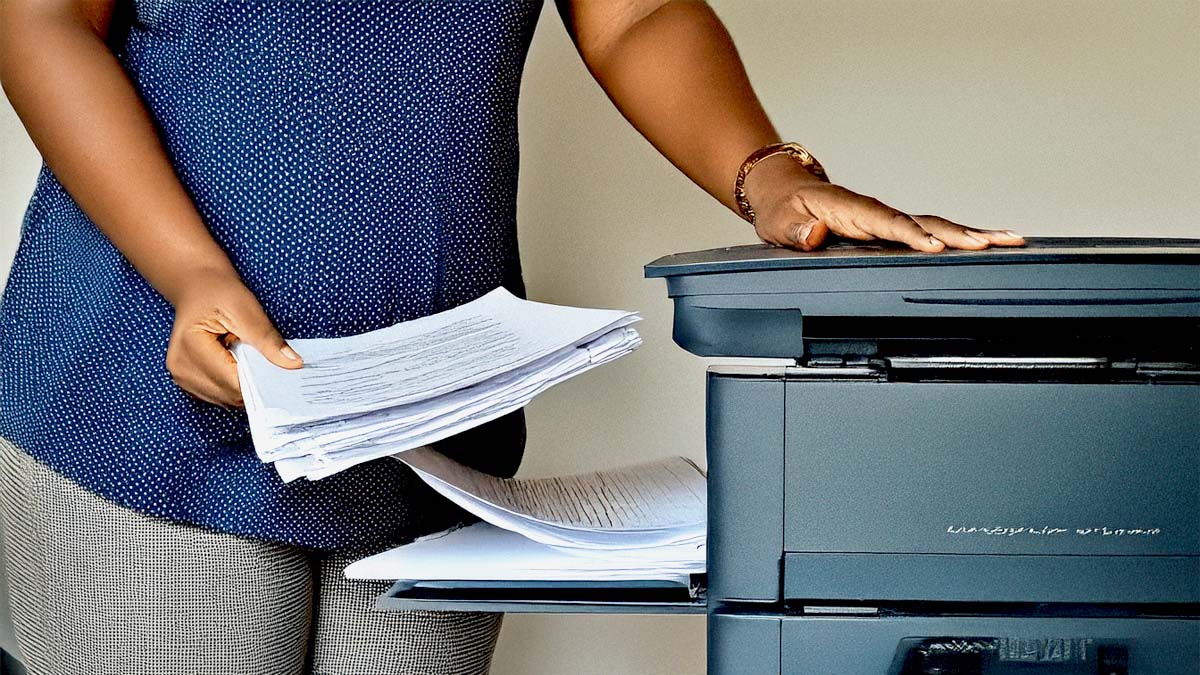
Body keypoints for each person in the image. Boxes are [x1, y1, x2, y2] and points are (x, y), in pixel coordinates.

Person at [0, 1, 1025, 673]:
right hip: (139, 403)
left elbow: (636, 18)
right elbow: (43, 20)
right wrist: (190, 271)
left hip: (430, 431)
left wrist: (774, 179)